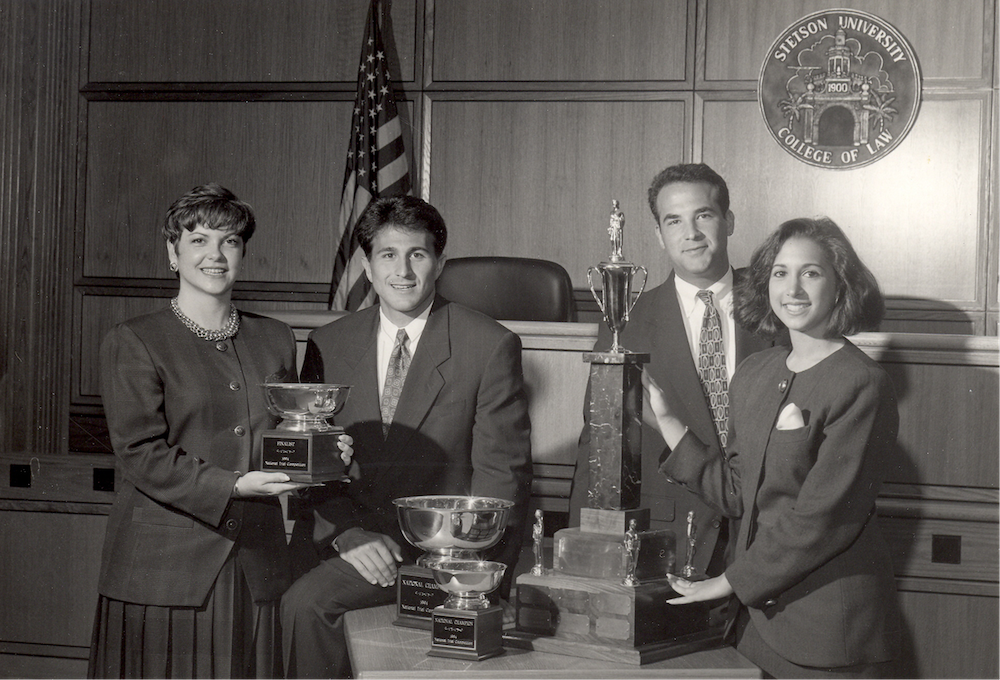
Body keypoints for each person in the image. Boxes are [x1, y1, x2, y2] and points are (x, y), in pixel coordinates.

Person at [88, 183, 352, 680]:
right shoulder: (135, 339)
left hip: (256, 560)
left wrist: (325, 448)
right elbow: (140, 453)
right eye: (198, 240)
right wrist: (233, 485)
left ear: (243, 253)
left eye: (229, 241)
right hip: (166, 571)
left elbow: (286, 433)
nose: (215, 254)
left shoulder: (273, 337)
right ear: (173, 252)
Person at [281, 195, 532, 680]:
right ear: (368, 268)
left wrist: (464, 570)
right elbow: (313, 468)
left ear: (440, 263)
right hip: (345, 535)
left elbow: (503, 476)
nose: (403, 271)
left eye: (417, 254)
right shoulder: (329, 345)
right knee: (283, 599)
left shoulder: (488, 344)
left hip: (439, 551)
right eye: (387, 255)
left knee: (308, 605)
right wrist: (348, 535)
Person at [646, 217, 901, 678]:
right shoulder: (756, 372)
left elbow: (823, 520)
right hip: (750, 629)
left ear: (841, 286)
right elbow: (739, 493)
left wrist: (729, 582)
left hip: (826, 636)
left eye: (812, 272)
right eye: (781, 273)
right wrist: (668, 422)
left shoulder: (862, 383)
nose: (794, 289)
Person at [570, 163, 772, 579]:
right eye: (674, 220)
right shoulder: (627, 321)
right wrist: (582, 556)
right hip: (672, 543)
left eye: (704, 215)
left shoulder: (778, 307)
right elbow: (599, 442)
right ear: (660, 235)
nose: (691, 233)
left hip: (765, 538)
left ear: (728, 221)